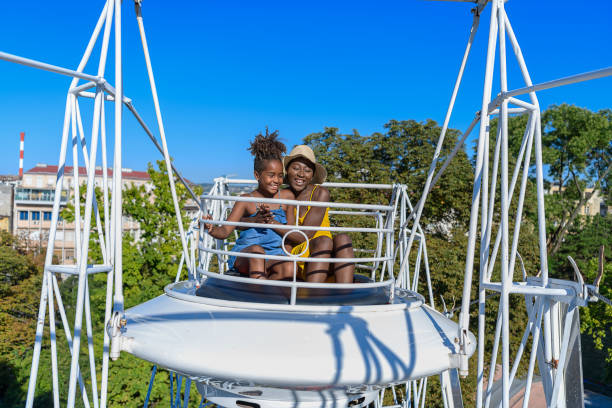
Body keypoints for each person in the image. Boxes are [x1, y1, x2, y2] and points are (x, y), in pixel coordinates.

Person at [204, 131, 295, 280]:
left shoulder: (287, 197)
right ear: (257, 176)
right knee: (257, 252)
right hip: (246, 255)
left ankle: (267, 295)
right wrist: (212, 229)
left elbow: (291, 233)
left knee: (289, 266)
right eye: (271, 175)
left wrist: (272, 222)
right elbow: (226, 230)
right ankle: (260, 295)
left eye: (280, 175)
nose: (276, 180)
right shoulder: (246, 200)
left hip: (274, 254)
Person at [282, 145, 355, 283]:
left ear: (312, 175)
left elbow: (306, 233)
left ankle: (345, 297)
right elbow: (302, 239)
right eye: (296, 168)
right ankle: (312, 296)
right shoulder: (284, 195)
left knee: (343, 239)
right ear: (287, 170)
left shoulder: (320, 193)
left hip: (323, 252)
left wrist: (274, 225)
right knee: (324, 241)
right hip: (301, 254)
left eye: (307, 170)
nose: (301, 174)